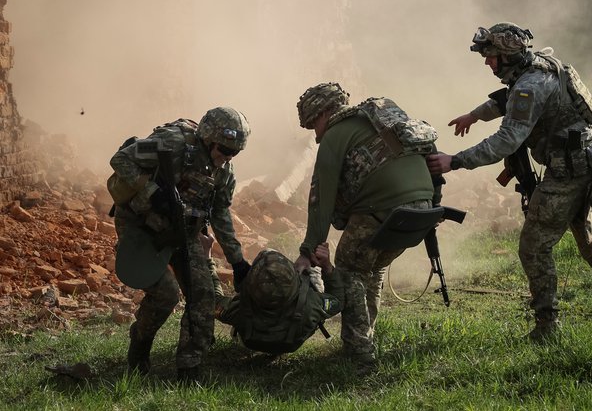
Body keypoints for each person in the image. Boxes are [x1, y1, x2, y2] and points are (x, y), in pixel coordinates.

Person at [426, 22, 592, 341]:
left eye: (492, 57)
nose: (488, 63)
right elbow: (506, 100)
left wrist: (455, 161)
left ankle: (547, 326)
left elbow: (508, 138)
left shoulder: (530, 84)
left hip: (567, 174)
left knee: (533, 247)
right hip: (590, 165)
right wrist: (474, 116)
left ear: (508, 55)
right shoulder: (541, 68)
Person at [293, 82, 439, 373]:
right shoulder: (380, 119)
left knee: (350, 272)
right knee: (372, 270)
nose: (316, 133)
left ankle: (359, 352)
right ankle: (366, 334)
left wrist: (308, 251)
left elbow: (320, 201)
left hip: (384, 211)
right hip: (423, 210)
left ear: (323, 113)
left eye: (313, 125)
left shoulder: (335, 135)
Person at [109, 107, 252, 381]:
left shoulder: (223, 172)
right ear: (208, 138)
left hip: (181, 232)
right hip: (141, 224)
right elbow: (120, 160)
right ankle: (139, 346)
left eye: (234, 152)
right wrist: (153, 192)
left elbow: (220, 213)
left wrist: (237, 261)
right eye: (223, 149)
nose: (227, 157)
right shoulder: (173, 143)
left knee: (203, 294)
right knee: (166, 293)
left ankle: (189, 367)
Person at [204, 234, 344, 355]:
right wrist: (326, 266)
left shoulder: (239, 310)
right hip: (292, 342)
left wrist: (207, 257)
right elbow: (337, 300)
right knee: (313, 274)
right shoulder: (311, 305)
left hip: (252, 342)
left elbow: (213, 300)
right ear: (296, 283)